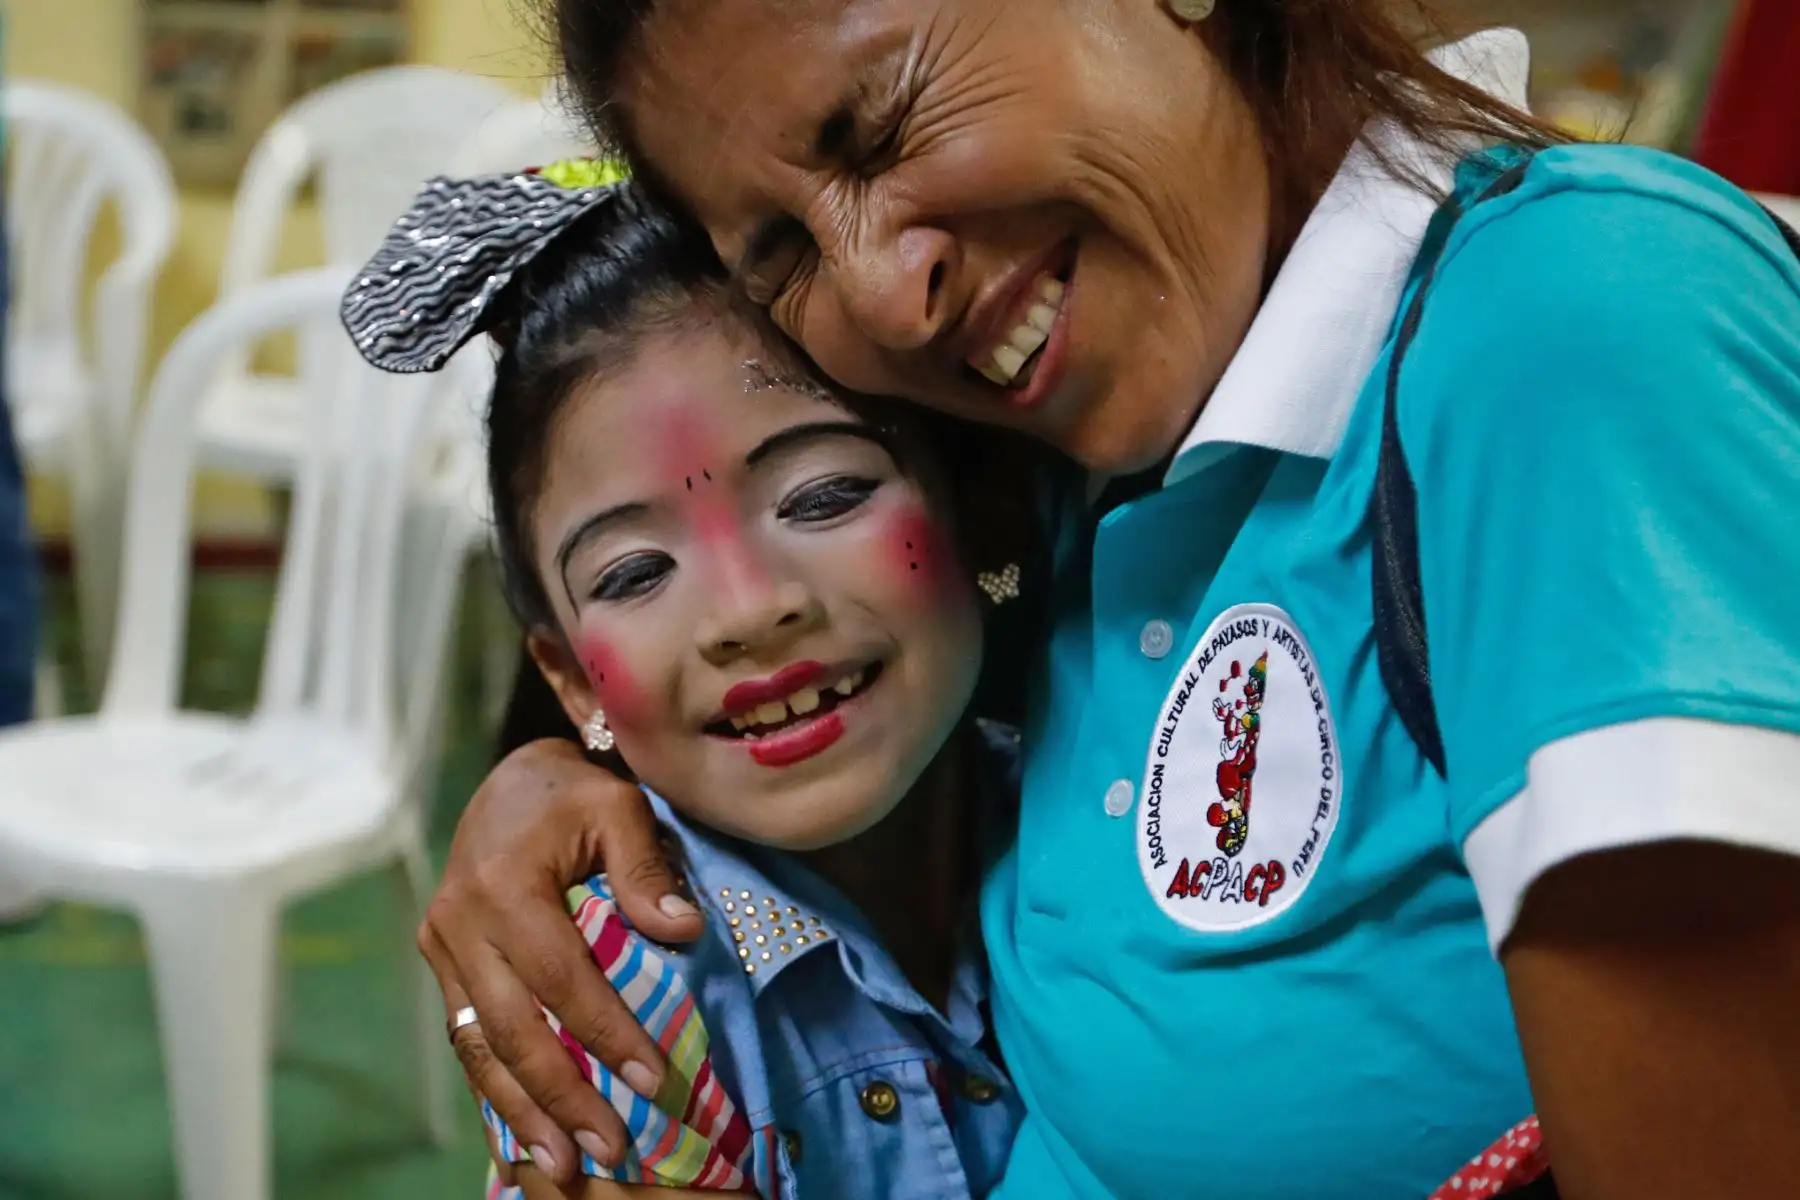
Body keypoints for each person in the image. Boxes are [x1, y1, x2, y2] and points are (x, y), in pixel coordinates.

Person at [423, 3, 1800, 1196]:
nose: (888, 302)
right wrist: (548, 779)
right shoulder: (1098, 447)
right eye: (778, 248)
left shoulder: (1570, 325)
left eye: (888, 121)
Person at [344, 166, 1040, 1197]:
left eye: (824, 494)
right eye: (632, 573)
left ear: (972, 512)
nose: (751, 610)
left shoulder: (1111, 802)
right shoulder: (619, 1006)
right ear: (574, 683)